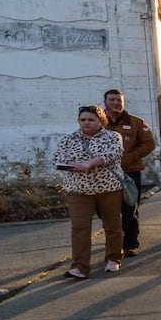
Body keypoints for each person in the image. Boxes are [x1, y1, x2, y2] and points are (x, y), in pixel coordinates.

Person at [53, 105, 125, 280]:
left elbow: (114, 153)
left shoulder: (112, 137)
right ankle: (79, 267)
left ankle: (113, 258)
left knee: (112, 224)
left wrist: (91, 163)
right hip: (79, 191)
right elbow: (57, 158)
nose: (86, 123)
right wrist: (73, 165)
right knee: (79, 228)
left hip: (108, 189)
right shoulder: (68, 139)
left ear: (100, 121)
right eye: (83, 120)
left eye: (91, 120)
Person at [103, 88, 155, 256]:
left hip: (129, 173)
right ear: (105, 102)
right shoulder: (98, 121)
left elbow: (149, 144)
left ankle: (131, 244)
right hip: (104, 174)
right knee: (108, 211)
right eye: (112, 100)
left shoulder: (136, 122)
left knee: (130, 208)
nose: (116, 103)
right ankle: (113, 243)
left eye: (119, 100)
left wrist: (129, 157)